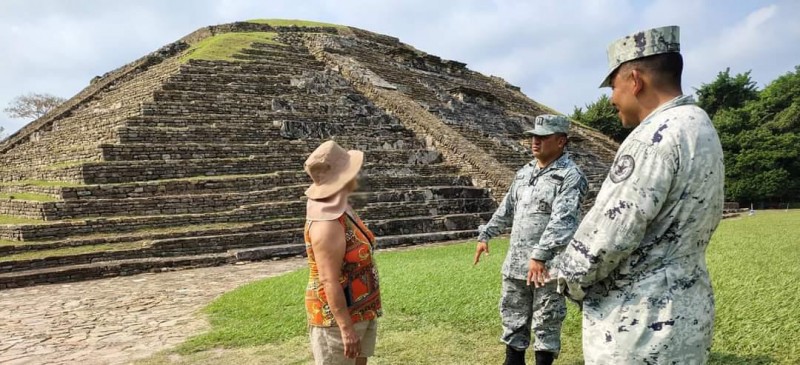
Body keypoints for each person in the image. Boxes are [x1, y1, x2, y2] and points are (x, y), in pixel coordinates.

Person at [547, 26, 725, 364]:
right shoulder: (699, 125)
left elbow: (608, 236)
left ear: (635, 79)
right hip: (688, 313)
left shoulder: (653, 139)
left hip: (637, 326)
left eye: (613, 85)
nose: (612, 98)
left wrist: (567, 278)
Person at [474, 114, 588, 365]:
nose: (535, 142)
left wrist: (540, 255)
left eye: (543, 137)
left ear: (560, 141)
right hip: (517, 263)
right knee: (512, 314)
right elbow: (507, 209)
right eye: (533, 136)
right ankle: (513, 361)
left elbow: (564, 221)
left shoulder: (570, 176)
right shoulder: (524, 173)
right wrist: (486, 234)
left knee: (546, 318)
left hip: (548, 266)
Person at [304, 140, 382, 365]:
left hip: (360, 310)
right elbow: (329, 280)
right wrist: (346, 329)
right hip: (338, 319)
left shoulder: (341, 208)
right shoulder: (325, 223)